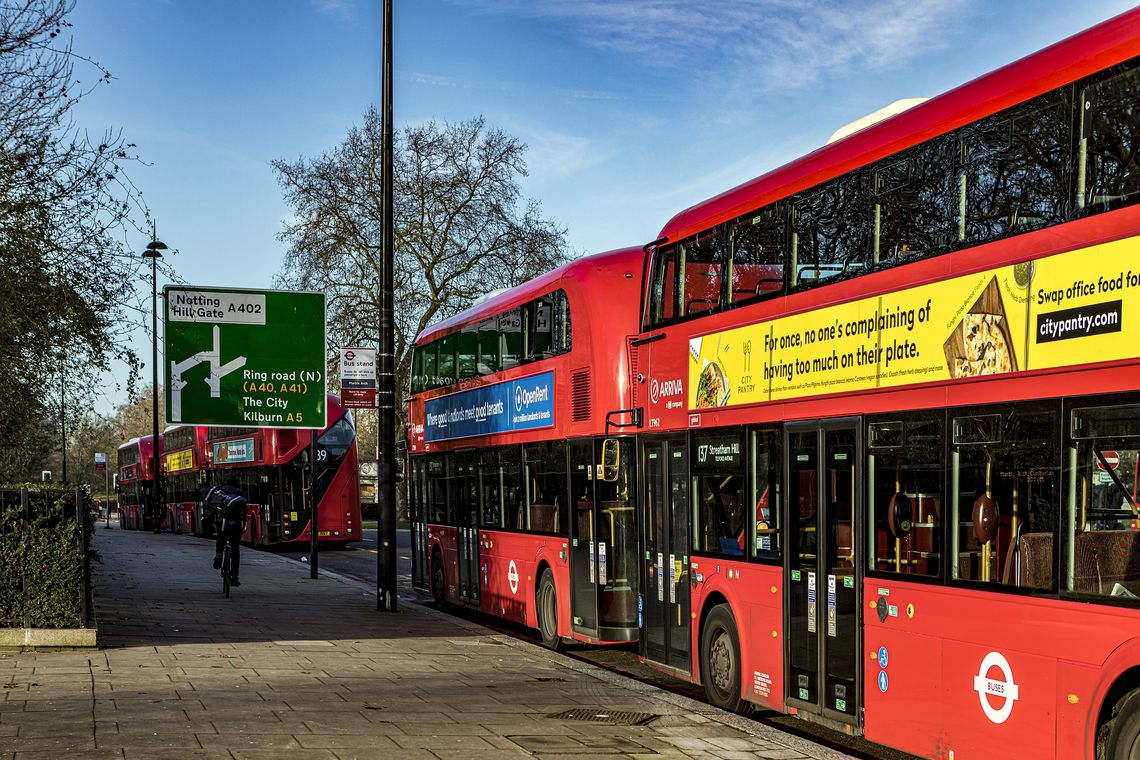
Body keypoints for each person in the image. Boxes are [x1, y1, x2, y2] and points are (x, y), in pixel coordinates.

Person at [201, 476, 247, 586]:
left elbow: (211, 506)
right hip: (235, 524)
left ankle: (218, 554)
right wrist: (243, 525)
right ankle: (235, 576)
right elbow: (243, 511)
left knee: (220, 538)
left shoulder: (218, 491)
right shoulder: (239, 492)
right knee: (235, 549)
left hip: (221, 523)